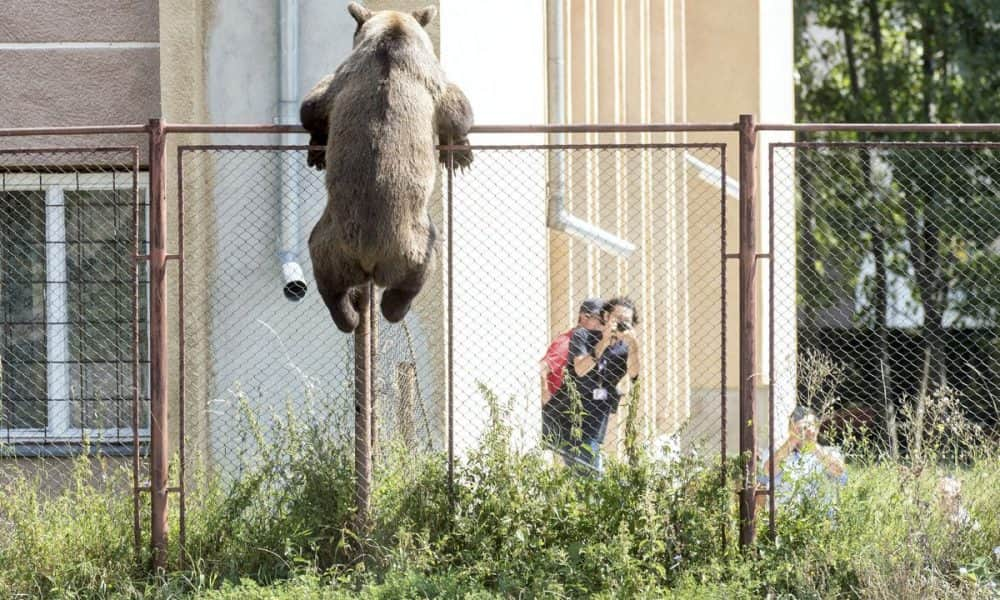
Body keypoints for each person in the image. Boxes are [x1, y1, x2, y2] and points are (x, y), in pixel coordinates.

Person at [544, 297, 642, 473]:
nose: (621, 323)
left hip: (594, 424)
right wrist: (604, 342)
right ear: (605, 316)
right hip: (565, 418)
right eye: (617, 318)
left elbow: (635, 375)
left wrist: (633, 344)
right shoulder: (582, 336)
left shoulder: (625, 349)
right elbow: (581, 369)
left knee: (585, 478)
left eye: (626, 321)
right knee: (591, 478)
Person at [757, 405, 847, 514]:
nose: (804, 431)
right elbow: (767, 472)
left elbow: (838, 470)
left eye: (809, 425)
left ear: (817, 428)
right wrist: (793, 439)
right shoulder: (775, 452)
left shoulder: (830, 452)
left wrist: (812, 445)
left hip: (821, 519)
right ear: (790, 429)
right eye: (799, 427)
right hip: (784, 518)